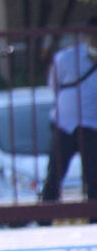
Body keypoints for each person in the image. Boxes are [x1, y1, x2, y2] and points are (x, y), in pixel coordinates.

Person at [40, 16, 97, 220]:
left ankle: (94, 216)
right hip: (65, 124)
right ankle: (45, 216)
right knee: (55, 172)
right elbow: (54, 85)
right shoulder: (66, 58)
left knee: (94, 175)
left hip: (92, 125)